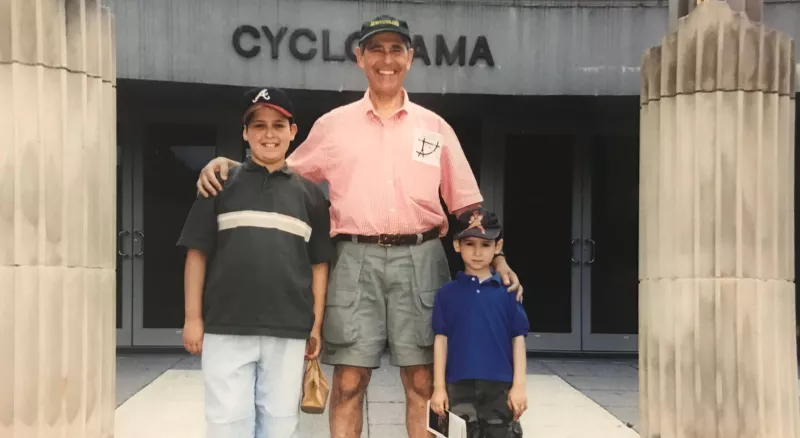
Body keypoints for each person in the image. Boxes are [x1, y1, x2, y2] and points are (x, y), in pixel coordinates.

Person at [195, 15, 524, 438]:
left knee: (424, 381)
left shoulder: (435, 127)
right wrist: (229, 165)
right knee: (349, 382)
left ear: (410, 57)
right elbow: (278, 167)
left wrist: (497, 259)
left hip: (421, 260)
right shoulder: (334, 125)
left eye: (396, 49)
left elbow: (468, 208)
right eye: (376, 49)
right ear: (359, 57)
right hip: (352, 259)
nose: (386, 59)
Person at [177, 86, 333, 438]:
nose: (269, 134)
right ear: (245, 133)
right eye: (258, 126)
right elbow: (196, 254)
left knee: (279, 423)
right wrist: (192, 318)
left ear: (293, 132)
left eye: (278, 125)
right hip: (225, 327)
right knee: (226, 423)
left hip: (289, 329)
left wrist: (316, 324)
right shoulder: (219, 185)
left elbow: (319, 265)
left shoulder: (310, 196)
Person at [430, 208, 528, 438]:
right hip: (458, 385)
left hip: (499, 386)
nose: (477, 252)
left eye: (485, 245)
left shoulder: (508, 292)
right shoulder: (446, 294)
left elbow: (518, 339)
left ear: (497, 247)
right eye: (469, 244)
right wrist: (438, 388)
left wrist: (519, 386)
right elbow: (440, 340)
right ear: (456, 245)